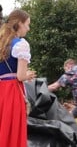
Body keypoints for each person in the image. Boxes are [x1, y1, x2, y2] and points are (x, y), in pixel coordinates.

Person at [0, 9, 37, 147]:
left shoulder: (2, 43)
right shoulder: (21, 44)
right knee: (12, 131)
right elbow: (21, 76)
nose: (28, 28)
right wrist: (28, 75)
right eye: (27, 24)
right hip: (12, 92)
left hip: (1, 90)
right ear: (19, 24)